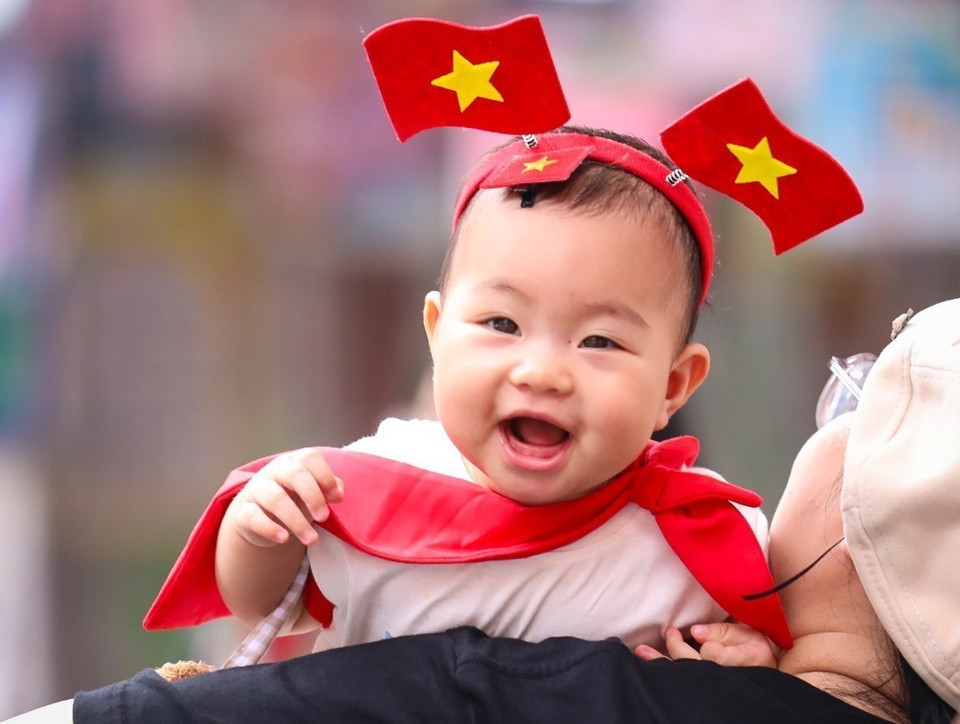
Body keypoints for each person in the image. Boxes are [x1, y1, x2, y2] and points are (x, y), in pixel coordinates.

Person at [12, 297, 957, 723]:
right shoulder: (726, 622)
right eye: (498, 324)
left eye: (859, 398)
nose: (540, 369)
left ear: (876, 519)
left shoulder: (641, 650)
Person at [139, 125, 791, 659]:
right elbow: (267, 609)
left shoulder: (701, 539)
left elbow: (779, 655)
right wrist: (260, 534)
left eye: (598, 342)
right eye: (502, 325)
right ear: (436, 332)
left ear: (673, 386)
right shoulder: (375, 480)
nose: (541, 372)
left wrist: (748, 666)